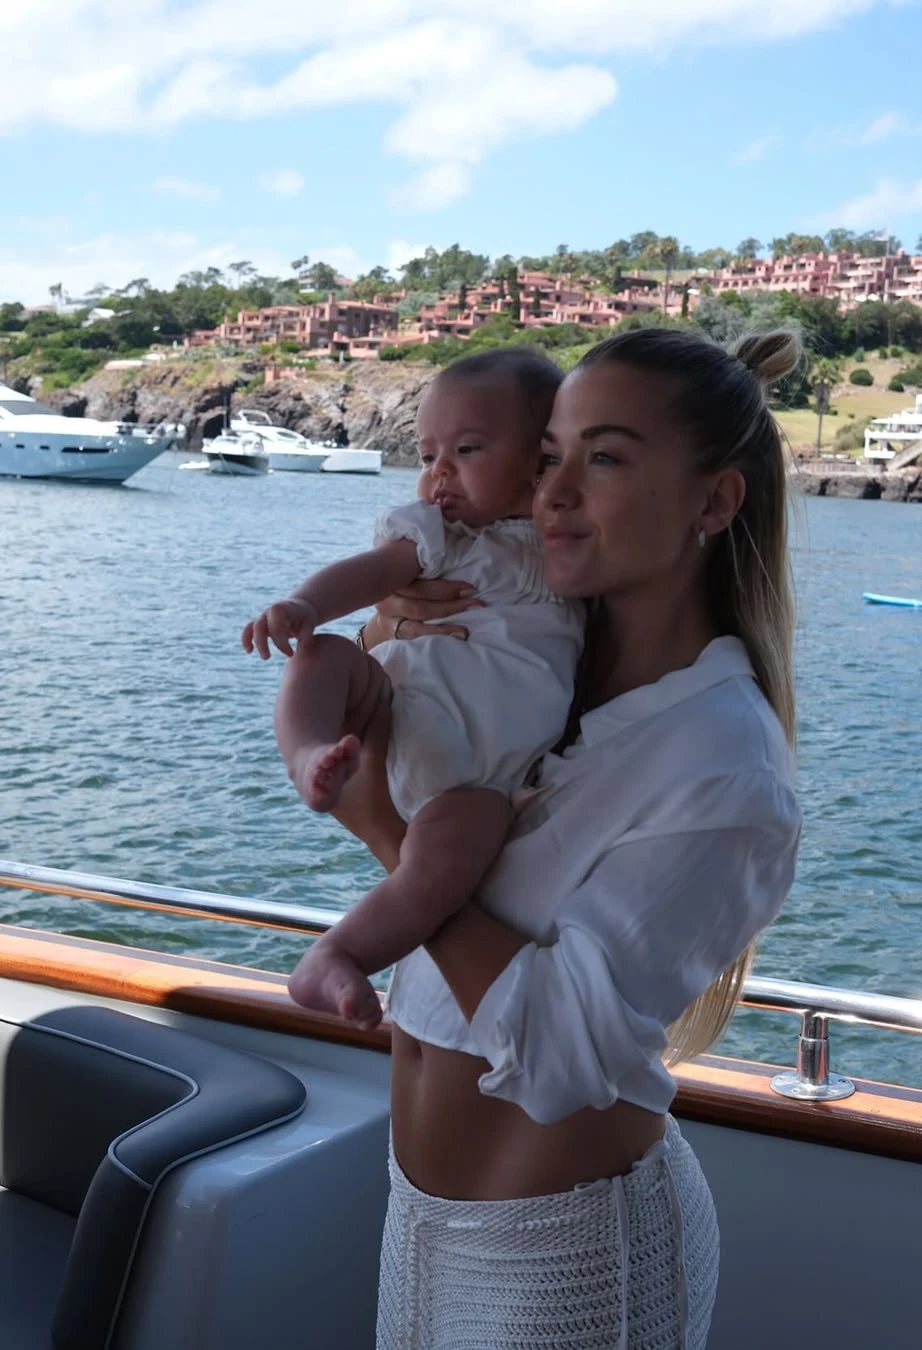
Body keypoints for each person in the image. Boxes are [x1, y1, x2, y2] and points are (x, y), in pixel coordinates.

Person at [304, 326, 803, 1348]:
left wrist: (387, 835)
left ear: (713, 502)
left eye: (605, 458)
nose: (553, 493)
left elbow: (561, 1052)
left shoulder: (721, 763)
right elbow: (377, 731)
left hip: (570, 1265)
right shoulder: (539, 668)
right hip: (419, 1222)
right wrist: (384, 628)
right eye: (548, 457)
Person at [242, 349, 585, 1024]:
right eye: (427, 456)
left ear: (541, 455)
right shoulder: (444, 536)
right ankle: (309, 753)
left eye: (464, 449)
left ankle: (338, 954)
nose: (438, 473)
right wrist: (308, 605)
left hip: (475, 781)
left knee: (444, 866)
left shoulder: (569, 550)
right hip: (396, 707)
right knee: (323, 656)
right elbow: (373, 572)